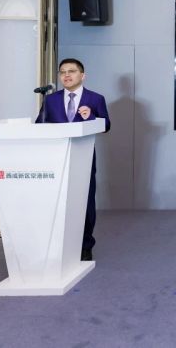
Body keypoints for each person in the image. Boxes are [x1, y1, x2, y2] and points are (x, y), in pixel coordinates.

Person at [35, 58, 110, 261]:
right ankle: (57, 245)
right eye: (62, 72)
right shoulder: (50, 100)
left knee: (85, 202)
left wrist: (90, 117)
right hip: (55, 158)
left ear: (82, 75)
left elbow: (106, 125)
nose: (66, 75)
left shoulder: (95, 99)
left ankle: (85, 246)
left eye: (72, 71)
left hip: (83, 158)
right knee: (57, 202)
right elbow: (39, 125)